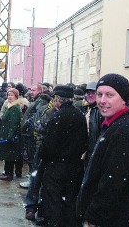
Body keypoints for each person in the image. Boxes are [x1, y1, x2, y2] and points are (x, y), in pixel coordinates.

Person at [77, 73, 129, 227]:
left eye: (109, 95)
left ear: (123, 98)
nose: (102, 101)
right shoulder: (114, 125)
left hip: (111, 219)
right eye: (99, 94)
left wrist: (94, 218)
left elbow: (112, 183)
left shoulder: (124, 131)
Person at [38, 85, 87, 227]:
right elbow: (84, 141)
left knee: (53, 199)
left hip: (56, 166)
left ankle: (54, 223)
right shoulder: (79, 116)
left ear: (58, 99)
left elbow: (49, 145)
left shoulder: (57, 117)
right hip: (74, 165)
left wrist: (44, 156)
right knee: (69, 200)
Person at [23, 87, 54, 222]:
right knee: (37, 180)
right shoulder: (46, 110)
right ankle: (32, 208)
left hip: (49, 152)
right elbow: (37, 128)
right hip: (43, 151)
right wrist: (40, 146)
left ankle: (38, 208)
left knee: (40, 180)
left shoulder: (49, 110)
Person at [0, 88, 23, 181]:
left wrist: (10, 136)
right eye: (8, 95)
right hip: (7, 133)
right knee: (8, 154)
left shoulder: (14, 108)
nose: (9, 97)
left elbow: (14, 123)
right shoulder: (10, 106)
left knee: (9, 155)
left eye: (11, 95)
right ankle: (8, 172)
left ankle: (9, 174)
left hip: (10, 136)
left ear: (16, 97)